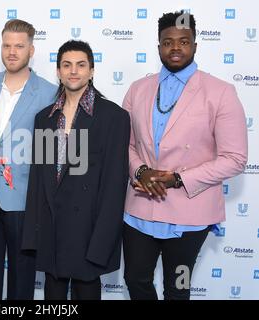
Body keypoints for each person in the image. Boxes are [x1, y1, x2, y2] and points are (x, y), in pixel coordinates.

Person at [122, 11, 248, 300]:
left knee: (177, 288)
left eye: (183, 41)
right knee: (135, 278)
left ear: (195, 45)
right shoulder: (138, 89)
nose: (175, 48)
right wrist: (141, 171)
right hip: (140, 208)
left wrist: (177, 179)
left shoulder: (221, 92)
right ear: (158, 47)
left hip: (189, 214)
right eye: (168, 42)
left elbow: (235, 157)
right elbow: (124, 145)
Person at [21, 40, 131, 300]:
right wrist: (34, 234)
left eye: (81, 65)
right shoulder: (45, 118)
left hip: (88, 230)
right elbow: (40, 181)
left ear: (91, 71)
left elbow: (114, 186)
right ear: (58, 71)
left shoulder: (113, 117)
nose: (73, 71)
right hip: (52, 230)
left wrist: (102, 240)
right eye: (66, 65)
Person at [0, 19, 57, 300]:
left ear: (31, 50)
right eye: (7, 45)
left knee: (22, 277)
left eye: (19, 46)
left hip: (25, 199)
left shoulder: (49, 91)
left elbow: (49, 153)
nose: (12, 52)